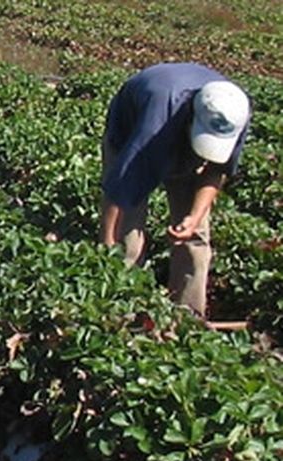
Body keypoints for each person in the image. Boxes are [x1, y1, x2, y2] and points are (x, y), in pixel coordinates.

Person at [100, 63, 250, 319]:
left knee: (195, 237)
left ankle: (188, 318)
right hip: (132, 129)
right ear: (192, 118)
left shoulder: (234, 114)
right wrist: (106, 243)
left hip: (179, 129)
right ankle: (118, 310)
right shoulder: (155, 122)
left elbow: (216, 170)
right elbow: (120, 189)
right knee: (128, 239)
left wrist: (192, 217)